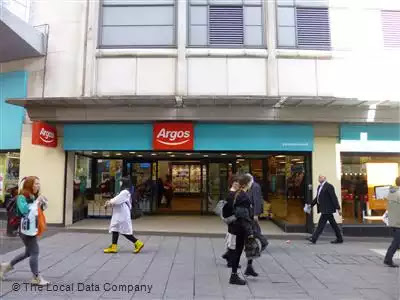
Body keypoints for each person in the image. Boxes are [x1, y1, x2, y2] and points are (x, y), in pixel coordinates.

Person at [0, 176, 49, 285]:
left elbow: (37, 211)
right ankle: (36, 277)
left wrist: (42, 203)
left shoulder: (32, 196)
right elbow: (25, 210)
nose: (38, 185)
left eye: (38, 183)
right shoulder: (21, 197)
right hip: (25, 229)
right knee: (35, 252)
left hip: (31, 227)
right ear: (29, 185)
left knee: (28, 252)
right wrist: (37, 202)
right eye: (35, 183)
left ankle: (5, 266)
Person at [226, 174, 259, 285]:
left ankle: (247, 268)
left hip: (237, 227)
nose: (251, 183)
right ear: (246, 184)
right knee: (240, 250)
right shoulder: (243, 196)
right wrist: (249, 232)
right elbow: (243, 215)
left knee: (240, 249)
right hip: (242, 227)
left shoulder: (237, 194)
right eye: (250, 182)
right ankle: (234, 275)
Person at [103, 177, 144, 254]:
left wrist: (109, 202)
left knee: (124, 231)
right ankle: (113, 247)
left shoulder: (125, 192)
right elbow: (116, 199)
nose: (120, 183)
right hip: (119, 214)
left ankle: (138, 243)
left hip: (122, 215)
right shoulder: (123, 192)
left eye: (121, 182)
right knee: (115, 229)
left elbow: (116, 200)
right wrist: (109, 202)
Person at [308, 175, 343, 244]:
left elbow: (334, 197)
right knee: (333, 224)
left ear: (325, 178)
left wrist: (338, 208)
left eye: (321, 177)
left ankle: (314, 238)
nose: (320, 178)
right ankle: (339, 238)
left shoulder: (329, 186)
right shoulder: (319, 187)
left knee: (321, 224)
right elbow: (317, 198)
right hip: (324, 208)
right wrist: (311, 205)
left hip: (328, 209)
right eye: (319, 177)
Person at [221, 177, 240, 268]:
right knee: (233, 239)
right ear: (232, 183)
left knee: (232, 237)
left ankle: (228, 255)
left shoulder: (230, 193)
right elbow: (232, 208)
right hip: (233, 219)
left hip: (230, 219)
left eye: (238, 183)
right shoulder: (232, 194)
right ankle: (230, 260)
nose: (237, 184)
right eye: (235, 182)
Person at [383, 176, 400, 268]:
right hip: (398, 221)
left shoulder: (392, 192)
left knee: (397, 241)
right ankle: (388, 259)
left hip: (393, 220)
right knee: (396, 242)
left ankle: (388, 258)